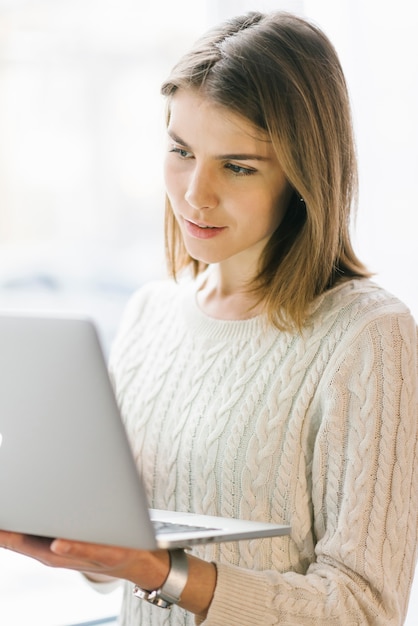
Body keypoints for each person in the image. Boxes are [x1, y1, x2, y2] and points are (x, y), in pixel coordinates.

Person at [1, 10, 417, 626]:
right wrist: (64, 530)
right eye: (181, 151)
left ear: (305, 176)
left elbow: (362, 608)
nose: (196, 192)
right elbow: (119, 546)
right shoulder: (151, 315)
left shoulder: (367, 337)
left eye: (238, 165)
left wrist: (163, 573)